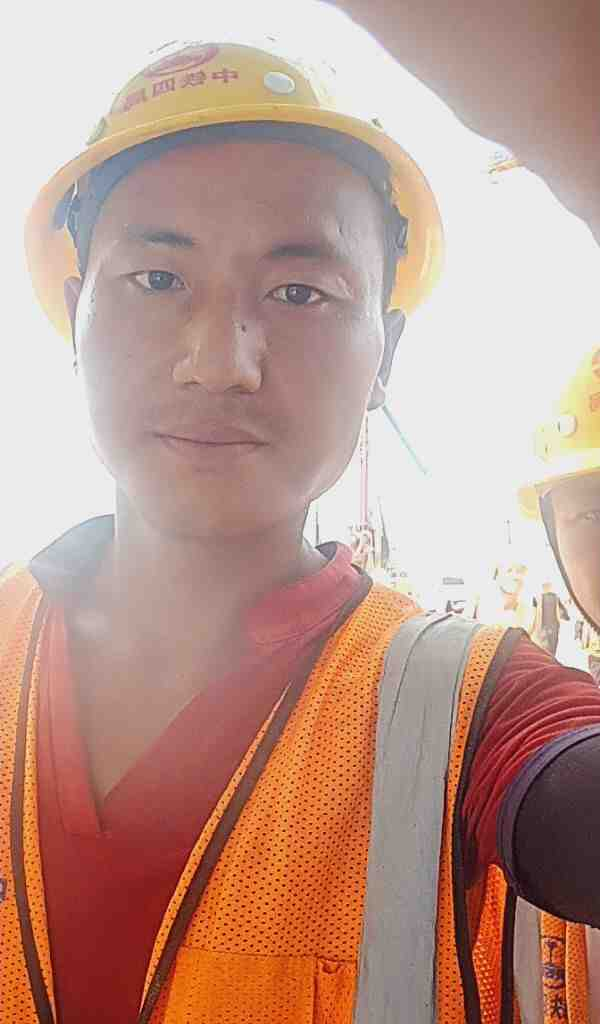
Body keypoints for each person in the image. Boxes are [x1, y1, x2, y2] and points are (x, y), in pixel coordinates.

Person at [4, 40, 600, 1024]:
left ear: (385, 357)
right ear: (77, 317)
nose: (220, 362)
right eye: (157, 279)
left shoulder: (466, 709)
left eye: (299, 294)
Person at [530, 582, 570, 655]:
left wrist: (531, 630)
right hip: (553, 627)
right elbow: (563, 612)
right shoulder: (556, 597)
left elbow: (533, 615)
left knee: (543, 648)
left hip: (542, 627)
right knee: (552, 649)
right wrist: (566, 617)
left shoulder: (536, 598)